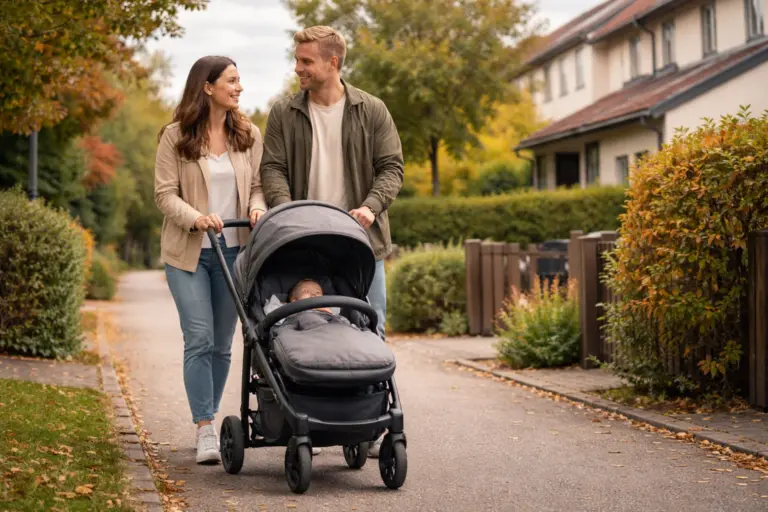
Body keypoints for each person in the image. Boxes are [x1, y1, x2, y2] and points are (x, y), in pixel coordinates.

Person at [259, 25, 405, 457]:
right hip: (302, 240)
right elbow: (273, 169)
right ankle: (314, 414)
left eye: (306, 60)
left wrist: (371, 206)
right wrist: (289, 215)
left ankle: (370, 424)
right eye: (298, 59)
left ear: (332, 63)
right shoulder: (284, 112)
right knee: (303, 326)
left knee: (369, 327)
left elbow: (391, 167)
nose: (298, 67)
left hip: (360, 241)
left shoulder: (371, 110)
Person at [154, 55, 267, 465]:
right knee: (198, 338)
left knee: (222, 346)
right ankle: (205, 427)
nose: (239, 88)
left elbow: (257, 186)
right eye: (231, 81)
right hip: (188, 254)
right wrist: (196, 218)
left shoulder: (248, 134)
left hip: (233, 253)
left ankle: (211, 420)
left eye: (240, 81)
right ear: (207, 87)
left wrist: (256, 208)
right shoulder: (176, 136)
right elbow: (165, 194)